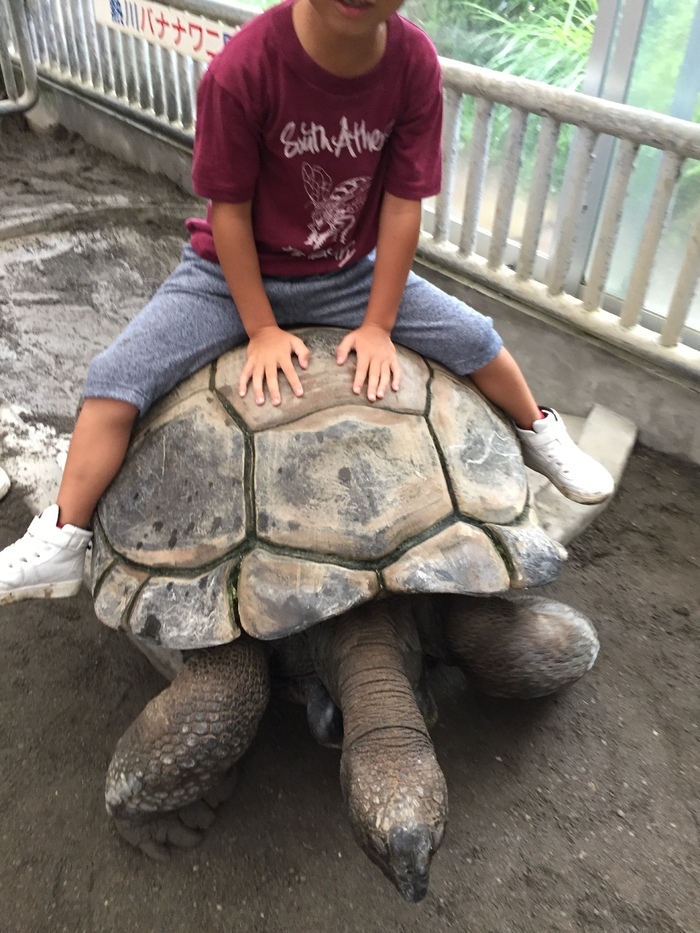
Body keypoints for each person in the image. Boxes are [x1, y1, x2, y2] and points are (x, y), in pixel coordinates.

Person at [0, 0, 613, 607]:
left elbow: (403, 203)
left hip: (347, 270)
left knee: (478, 338)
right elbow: (229, 216)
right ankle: (62, 536)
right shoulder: (242, 71)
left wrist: (379, 323)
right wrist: (261, 328)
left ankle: (538, 431)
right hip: (229, 274)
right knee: (115, 380)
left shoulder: (413, 62)